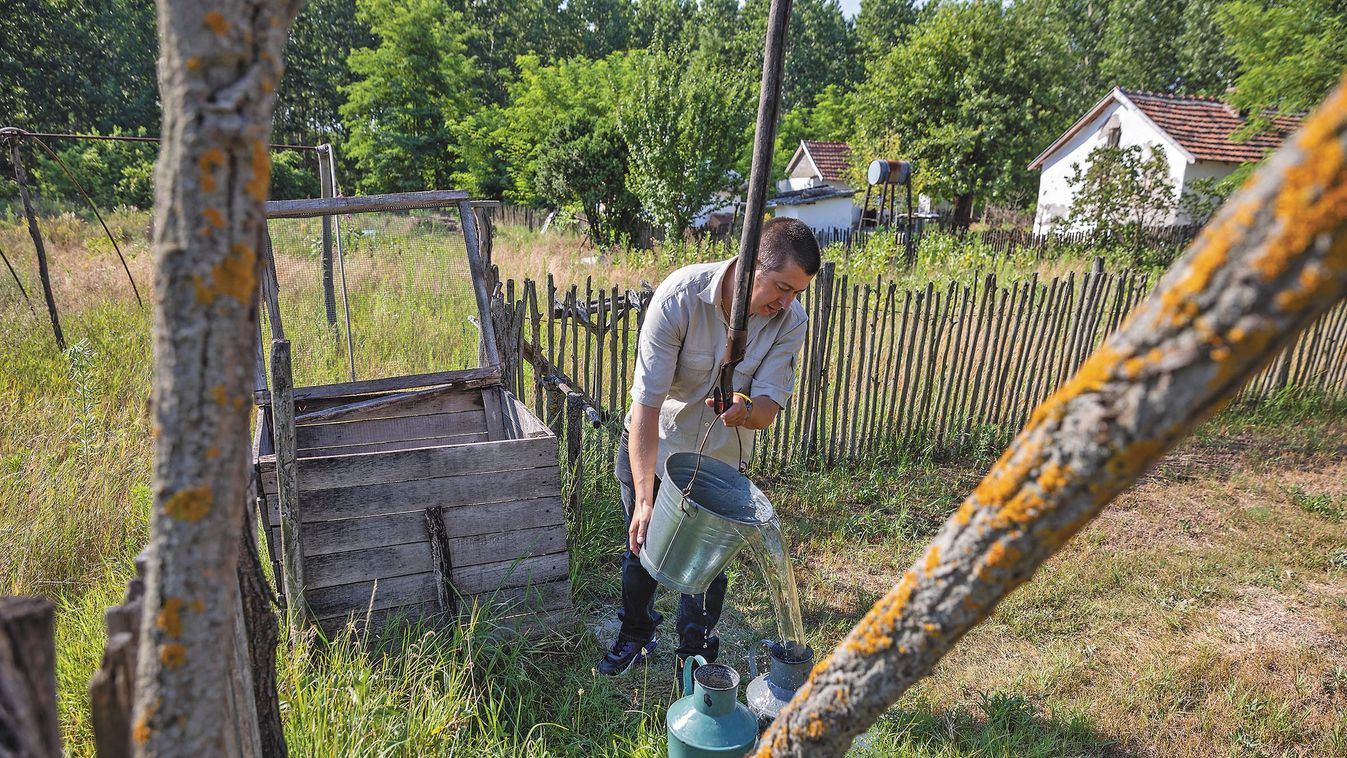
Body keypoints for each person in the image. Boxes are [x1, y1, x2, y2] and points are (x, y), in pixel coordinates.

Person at [597, 217, 820, 679]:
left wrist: (743, 411)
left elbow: (768, 408)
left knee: (710, 568)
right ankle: (636, 634)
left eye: (797, 292)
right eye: (781, 287)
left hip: (720, 461)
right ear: (751, 265)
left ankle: (694, 651)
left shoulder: (789, 320)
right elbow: (647, 404)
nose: (787, 302)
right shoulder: (680, 297)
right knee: (642, 547)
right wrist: (644, 499)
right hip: (655, 449)